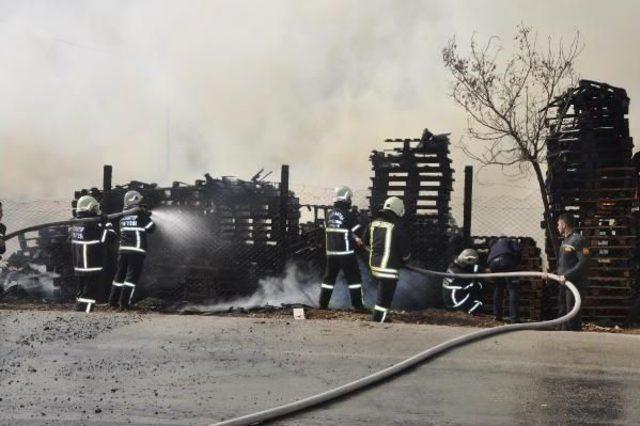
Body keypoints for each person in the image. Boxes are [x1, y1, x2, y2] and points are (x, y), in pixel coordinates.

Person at [363, 196, 411, 322]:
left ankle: (380, 316)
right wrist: (404, 261)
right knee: (384, 300)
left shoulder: (372, 224)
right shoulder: (397, 227)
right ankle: (378, 320)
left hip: (373, 267)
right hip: (388, 270)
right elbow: (405, 253)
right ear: (398, 210)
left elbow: (365, 243)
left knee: (381, 295)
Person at [318, 186, 365, 310]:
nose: (350, 201)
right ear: (345, 198)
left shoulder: (328, 215)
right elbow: (357, 233)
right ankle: (358, 306)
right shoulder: (349, 216)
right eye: (349, 198)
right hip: (346, 253)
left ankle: (323, 304)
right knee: (354, 279)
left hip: (331, 253)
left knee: (329, 279)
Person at [108, 190, 155, 310]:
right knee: (131, 278)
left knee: (119, 277)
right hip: (136, 251)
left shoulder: (122, 217)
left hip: (123, 250)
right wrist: (147, 216)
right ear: (133, 200)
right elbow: (151, 228)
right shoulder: (140, 215)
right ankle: (124, 304)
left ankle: (112, 302)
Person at [69, 196, 117, 312]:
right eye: (95, 208)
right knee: (89, 293)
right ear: (90, 208)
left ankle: (78, 310)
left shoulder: (75, 223)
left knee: (80, 290)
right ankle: (85, 313)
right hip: (91, 265)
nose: (97, 210)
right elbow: (111, 237)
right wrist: (108, 224)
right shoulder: (92, 225)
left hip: (79, 265)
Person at [555, 213, 589, 331]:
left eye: (558, 224)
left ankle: (575, 343)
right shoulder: (565, 241)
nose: (557, 227)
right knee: (562, 313)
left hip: (574, 284)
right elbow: (563, 264)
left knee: (572, 316)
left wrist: (567, 275)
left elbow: (584, 263)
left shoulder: (579, 240)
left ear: (564, 224)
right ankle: (562, 342)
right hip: (563, 284)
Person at [487, 236, 521, 323]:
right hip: (507, 261)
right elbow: (517, 250)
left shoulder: (494, 244)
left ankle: (497, 316)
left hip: (493, 263)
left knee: (498, 288)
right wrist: (516, 263)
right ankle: (514, 319)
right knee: (513, 289)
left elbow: (490, 251)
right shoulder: (510, 241)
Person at [442, 249, 483, 315]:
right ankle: (468, 312)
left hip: (449, 298)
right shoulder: (458, 272)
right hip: (455, 299)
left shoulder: (453, 264)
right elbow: (471, 285)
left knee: (476, 287)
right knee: (478, 299)